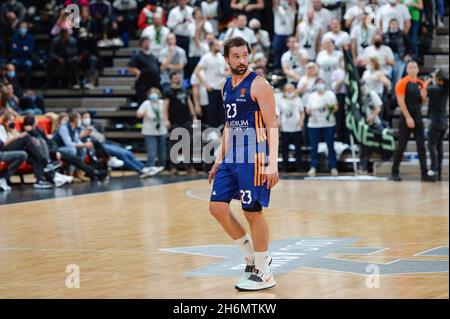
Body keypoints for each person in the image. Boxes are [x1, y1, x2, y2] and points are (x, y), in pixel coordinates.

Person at [208, 37, 279, 291]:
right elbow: (229, 125)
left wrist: (273, 163)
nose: (241, 60)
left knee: (252, 211)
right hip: (232, 156)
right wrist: (218, 159)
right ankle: (252, 256)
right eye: (235, 56)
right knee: (216, 207)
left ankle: (264, 272)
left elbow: (272, 124)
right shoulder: (226, 86)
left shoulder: (259, 85)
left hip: (255, 155)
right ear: (226, 59)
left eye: (244, 55)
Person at [390, 61, 434, 182]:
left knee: (421, 145)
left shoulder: (421, 83)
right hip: (406, 116)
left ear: (418, 69)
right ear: (407, 69)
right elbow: (401, 101)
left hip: (418, 115)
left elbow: (424, 102)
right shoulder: (402, 82)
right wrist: (408, 117)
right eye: (411, 67)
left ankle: (424, 173)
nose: (413, 69)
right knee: (401, 145)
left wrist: (424, 95)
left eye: (415, 67)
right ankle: (394, 172)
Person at [163, 71, 197, 175]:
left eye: (178, 77)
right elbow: (165, 106)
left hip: (186, 121)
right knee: (174, 145)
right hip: (174, 122)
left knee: (187, 144)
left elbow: (189, 103)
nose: (178, 79)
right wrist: (165, 119)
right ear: (171, 79)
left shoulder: (184, 90)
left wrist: (194, 116)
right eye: (176, 77)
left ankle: (189, 167)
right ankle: (173, 167)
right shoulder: (168, 91)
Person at [305, 78, 339, 177]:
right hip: (314, 124)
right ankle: (313, 167)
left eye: (322, 83)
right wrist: (311, 110)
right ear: (315, 85)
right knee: (314, 147)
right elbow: (307, 110)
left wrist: (330, 107)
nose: (320, 85)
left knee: (330, 146)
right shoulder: (311, 96)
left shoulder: (330, 94)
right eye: (318, 83)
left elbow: (336, 107)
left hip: (329, 124)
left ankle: (333, 167)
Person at [194, 39, 228, 128]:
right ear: (212, 46)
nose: (219, 46)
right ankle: (212, 132)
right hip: (211, 88)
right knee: (212, 112)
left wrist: (225, 74)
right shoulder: (206, 57)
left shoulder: (221, 57)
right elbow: (197, 71)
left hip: (221, 88)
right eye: (217, 45)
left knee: (222, 111)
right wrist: (205, 84)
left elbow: (227, 70)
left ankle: (223, 131)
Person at [137, 87, 167, 175]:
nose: (154, 95)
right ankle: (150, 167)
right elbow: (138, 114)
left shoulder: (162, 103)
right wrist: (142, 113)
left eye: (155, 93)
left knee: (162, 152)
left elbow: (166, 113)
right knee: (151, 151)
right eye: (152, 93)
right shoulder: (146, 103)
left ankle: (162, 167)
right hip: (149, 131)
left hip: (161, 130)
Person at [426, 70, 448, 181]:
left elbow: (424, 92)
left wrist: (428, 81)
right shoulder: (445, 89)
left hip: (436, 122)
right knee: (439, 146)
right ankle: (438, 172)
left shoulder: (434, 89)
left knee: (431, 145)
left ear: (439, 78)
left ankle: (433, 171)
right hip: (444, 122)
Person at [277, 83, 304, 172]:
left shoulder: (297, 99)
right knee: (285, 149)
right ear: (284, 91)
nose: (289, 91)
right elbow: (279, 113)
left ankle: (299, 166)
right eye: (287, 89)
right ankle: (285, 167)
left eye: (291, 89)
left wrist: (301, 121)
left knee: (298, 149)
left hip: (296, 128)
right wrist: (278, 123)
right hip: (285, 128)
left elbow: (301, 112)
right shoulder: (281, 100)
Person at [127, 36, 161, 104]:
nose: (148, 44)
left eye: (149, 42)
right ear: (141, 43)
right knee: (143, 102)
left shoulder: (152, 56)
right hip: (143, 83)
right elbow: (130, 67)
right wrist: (137, 72)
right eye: (146, 42)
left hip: (153, 82)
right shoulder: (137, 55)